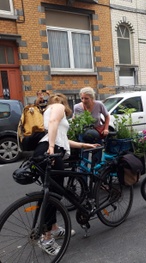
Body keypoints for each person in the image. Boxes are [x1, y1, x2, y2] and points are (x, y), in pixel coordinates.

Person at [34, 93, 99, 255]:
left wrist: (84, 145)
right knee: (52, 197)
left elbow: (61, 138)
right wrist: (51, 149)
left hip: (47, 150)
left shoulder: (49, 111)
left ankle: (54, 229)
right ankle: (46, 237)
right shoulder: (59, 107)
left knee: (52, 193)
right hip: (51, 151)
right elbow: (54, 127)